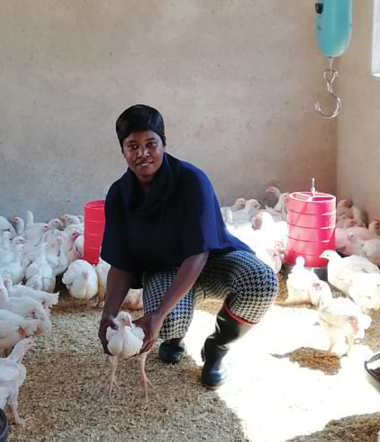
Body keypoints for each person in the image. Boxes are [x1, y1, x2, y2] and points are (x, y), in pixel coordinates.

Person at [97, 104, 280, 390]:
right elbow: (121, 262)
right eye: (132, 145)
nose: (142, 153)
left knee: (262, 282)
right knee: (167, 326)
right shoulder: (119, 195)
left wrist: (157, 315)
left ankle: (217, 348)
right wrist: (108, 314)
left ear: (164, 143)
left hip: (211, 262)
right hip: (164, 269)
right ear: (122, 150)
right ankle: (175, 334)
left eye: (150, 144)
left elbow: (198, 253)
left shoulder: (192, 181)